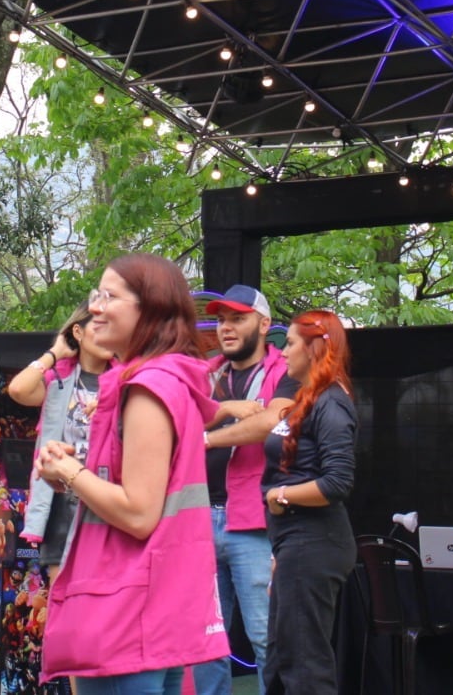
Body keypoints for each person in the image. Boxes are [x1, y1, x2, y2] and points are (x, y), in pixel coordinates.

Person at [36, 253, 228, 695]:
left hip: (126, 613)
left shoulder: (147, 389)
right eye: (96, 295)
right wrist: (69, 471)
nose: (95, 307)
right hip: (157, 608)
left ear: (151, 309)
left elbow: (139, 514)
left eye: (110, 296)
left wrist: (70, 471)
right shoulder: (166, 380)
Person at [193, 285, 296, 695]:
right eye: (221, 320)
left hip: (253, 522)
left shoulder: (286, 371)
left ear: (264, 324)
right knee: (204, 643)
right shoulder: (204, 372)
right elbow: (176, 419)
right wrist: (224, 410)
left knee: (266, 637)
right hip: (199, 519)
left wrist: (206, 436)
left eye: (238, 318)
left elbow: (272, 422)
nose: (226, 327)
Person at [261, 310, 357, 695]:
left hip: (315, 542)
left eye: (290, 344)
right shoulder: (308, 398)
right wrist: (280, 553)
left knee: (304, 664)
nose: (283, 352)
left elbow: (337, 481)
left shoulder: (332, 402)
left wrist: (279, 495)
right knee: (280, 659)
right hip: (294, 545)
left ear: (314, 348)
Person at [7, 301, 114, 583]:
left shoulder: (124, 379)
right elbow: (18, 389)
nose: (109, 336)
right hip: (62, 497)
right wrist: (54, 353)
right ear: (78, 331)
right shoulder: (59, 378)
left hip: (107, 495)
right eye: (100, 327)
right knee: (61, 590)